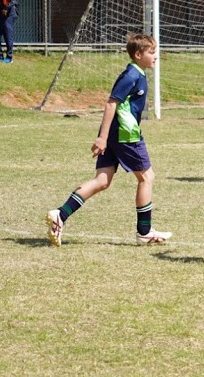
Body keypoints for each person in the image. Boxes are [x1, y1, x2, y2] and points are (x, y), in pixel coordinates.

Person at [46, 34, 171, 247]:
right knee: (147, 177)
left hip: (117, 135)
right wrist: (102, 138)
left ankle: (60, 214)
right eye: (151, 52)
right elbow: (111, 103)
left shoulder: (138, 74)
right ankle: (144, 232)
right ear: (138, 54)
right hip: (125, 135)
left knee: (102, 181)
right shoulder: (131, 76)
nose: (156, 56)